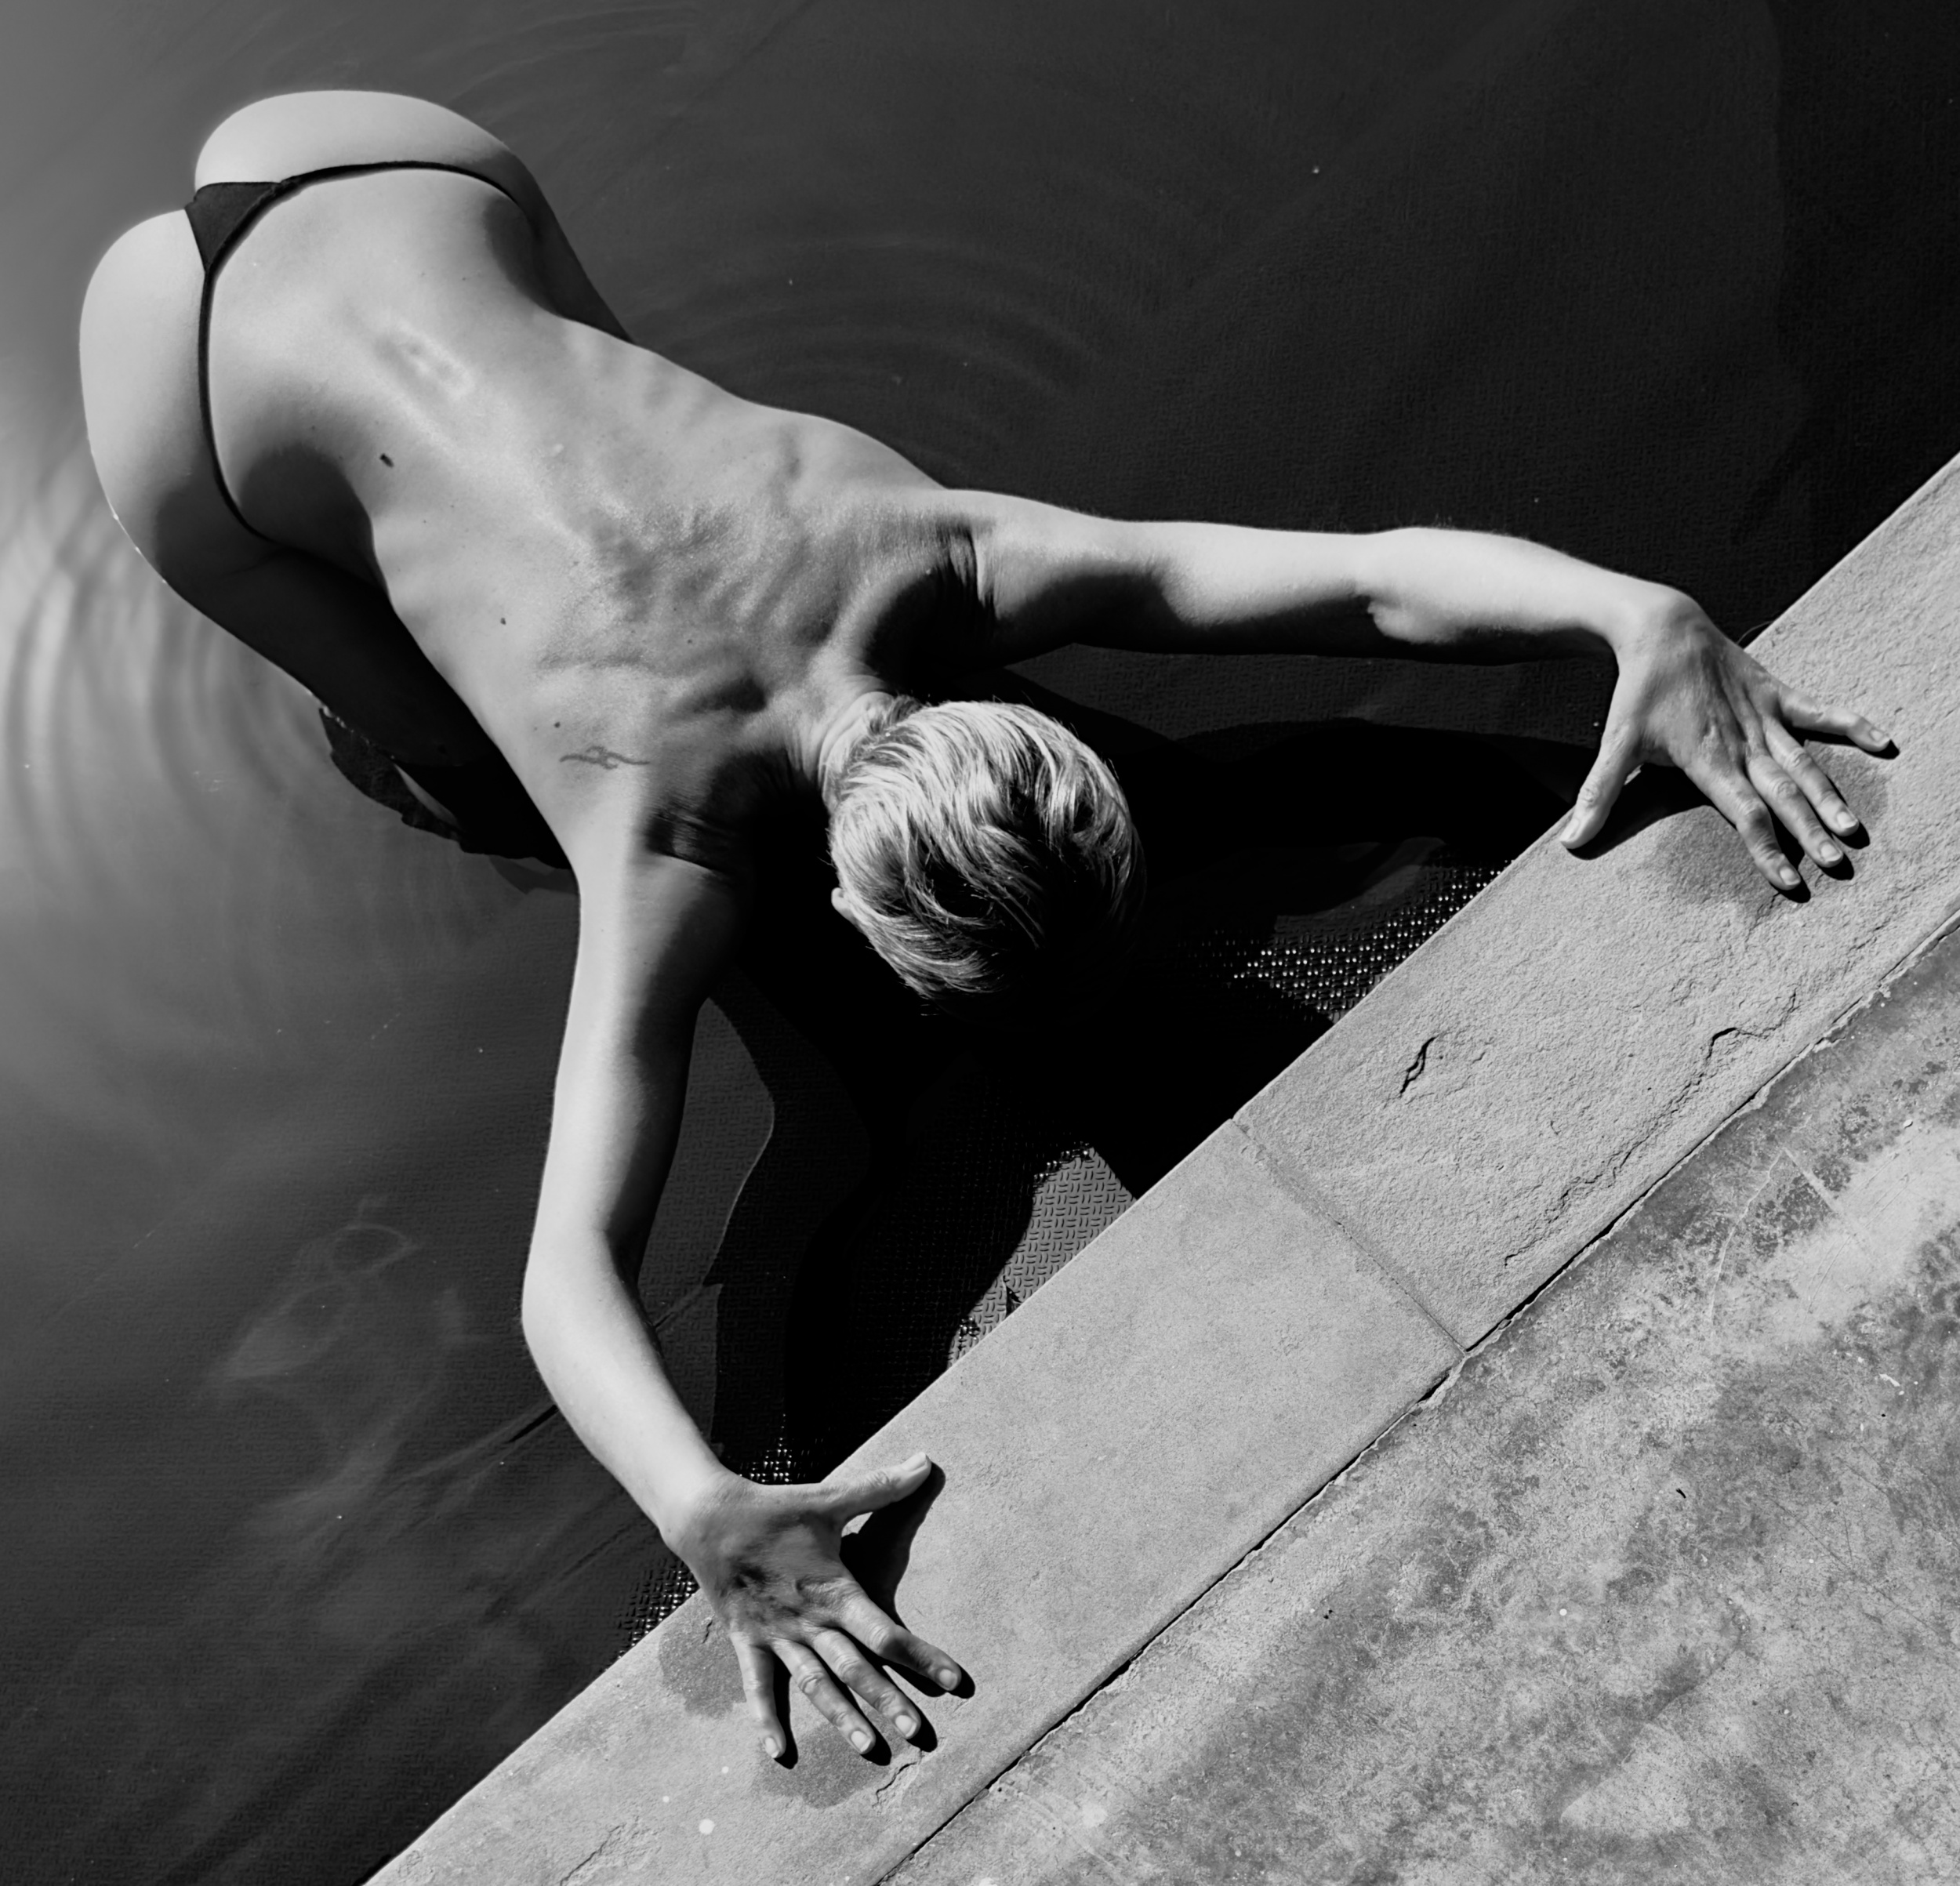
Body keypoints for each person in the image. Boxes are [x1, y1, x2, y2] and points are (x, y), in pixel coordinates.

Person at [78, 89, 1889, 1764]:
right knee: (446, 762)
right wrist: (702, 1513)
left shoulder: (932, 546)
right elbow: (560, 1279)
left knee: (544, 488)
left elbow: (1364, 585)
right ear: (845, 897)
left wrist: (1637, 618)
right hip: (199, 379)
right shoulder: (673, 826)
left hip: (394, 176)